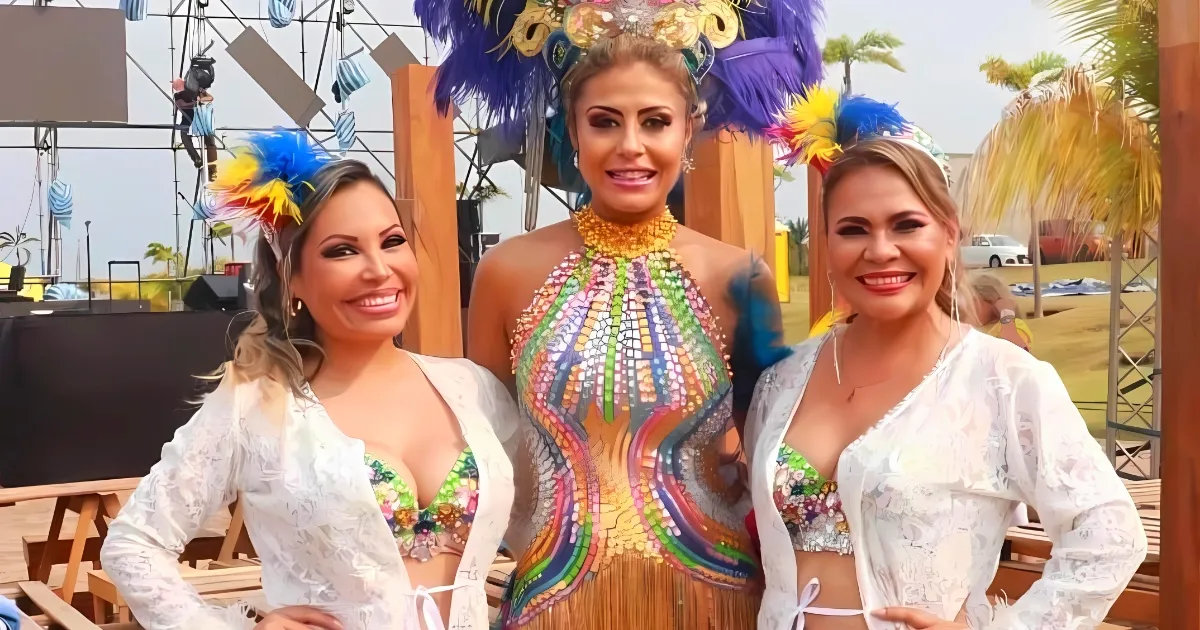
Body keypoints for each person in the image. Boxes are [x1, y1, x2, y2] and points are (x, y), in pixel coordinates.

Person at [416, 0, 823, 623]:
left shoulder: (740, 277)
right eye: (604, 121)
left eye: (654, 121)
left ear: (689, 129)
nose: (630, 146)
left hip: (714, 600)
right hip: (555, 601)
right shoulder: (507, 273)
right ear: (571, 131)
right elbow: (488, 456)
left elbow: (777, 458)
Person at [745, 88, 1147, 630]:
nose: (880, 250)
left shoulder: (1005, 380)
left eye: (906, 225)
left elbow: (1110, 534)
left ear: (949, 234)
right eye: (853, 229)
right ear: (825, 243)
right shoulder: (783, 381)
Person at [100, 130, 518, 630]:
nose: (379, 269)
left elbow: (547, 520)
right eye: (343, 251)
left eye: (392, 242)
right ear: (292, 279)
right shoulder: (256, 407)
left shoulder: (471, 388)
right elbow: (134, 544)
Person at [971, 271, 1032, 351]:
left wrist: (1006, 317)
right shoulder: (970, 328)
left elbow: (1021, 351)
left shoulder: (1015, 325)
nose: (969, 308)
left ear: (994, 301)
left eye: (974, 303)